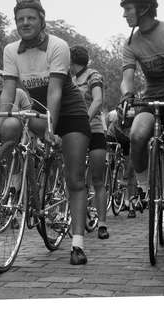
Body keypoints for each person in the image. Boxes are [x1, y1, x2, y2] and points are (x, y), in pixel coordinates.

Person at [0, 0, 91, 265]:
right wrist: (2, 117)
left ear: (41, 20)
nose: (25, 23)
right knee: (12, 123)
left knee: (74, 178)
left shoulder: (58, 46)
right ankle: (17, 181)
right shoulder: (11, 50)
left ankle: (77, 244)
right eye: (20, 19)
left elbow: (55, 90)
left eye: (31, 18)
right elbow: (9, 90)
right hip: (40, 112)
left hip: (70, 114)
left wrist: (51, 127)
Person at [119, 0, 164, 201]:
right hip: (152, 96)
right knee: (137, 135)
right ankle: (145, 188)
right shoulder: (130, 44)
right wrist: (127, 95)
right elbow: (127, 79)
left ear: (144, 8)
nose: (124, 14)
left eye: (128, 9)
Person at [70, 45, 109, 239]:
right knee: (73, 179)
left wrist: (83, 120)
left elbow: (98, 100)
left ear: (71, 61)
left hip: (93, 130)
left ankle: (102, 224)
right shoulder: (68, 80)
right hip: (74, 134)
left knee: (97, 179)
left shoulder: (93, 75)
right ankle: (77, 217)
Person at [106, 109, 137, 217]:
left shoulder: (135, 124)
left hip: (129, 141)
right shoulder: (113, 116)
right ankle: (118, 195)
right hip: (114, 136)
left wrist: (126, 177)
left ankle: (131, 205)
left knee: (130, 172)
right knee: (112, 165)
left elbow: (132, 157)